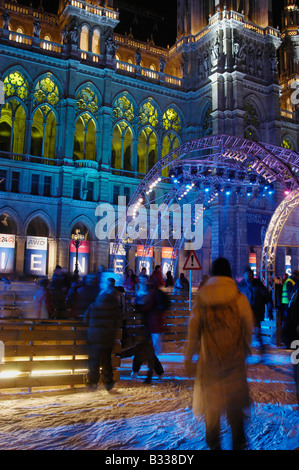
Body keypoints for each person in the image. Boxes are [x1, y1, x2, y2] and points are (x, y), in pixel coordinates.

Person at [184, 257, 253, 450]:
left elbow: (193, 331)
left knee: (211, 408)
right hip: (234, 361)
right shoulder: (239, 298)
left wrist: (189, 357)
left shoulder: (203, 298)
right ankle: (238, 442)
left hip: (210, 362)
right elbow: (248, 326)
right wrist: (245, 346)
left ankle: (214, 444)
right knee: (234, 407)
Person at [84, 278, 122, 391]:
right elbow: (118, 322)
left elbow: (86, 319)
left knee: (94, 360)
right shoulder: (115, 308)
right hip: (107, 338)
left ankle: (92, 381)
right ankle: (108, 382)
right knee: (106, 361)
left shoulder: (94, 305)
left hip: (94, 337)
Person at [238, 267, 272, 354]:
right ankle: (246, 350)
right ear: (243, 275)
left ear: (252, 275)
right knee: (245, 332)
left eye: (250, 274)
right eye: (247, 274)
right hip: (245, 313)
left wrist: (269, 310)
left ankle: (262, 350)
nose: (248, 276)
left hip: (257, 312)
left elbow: (267, 297)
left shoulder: (258, 285)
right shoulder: (241, 286)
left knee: (257, 332)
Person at [281, 270, 299, 348]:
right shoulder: (291, 282)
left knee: (290, 325)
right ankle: (291, 343)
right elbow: (291, 295)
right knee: (291, 324)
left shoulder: (289, 280)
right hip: (290, 306)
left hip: (287, 305)